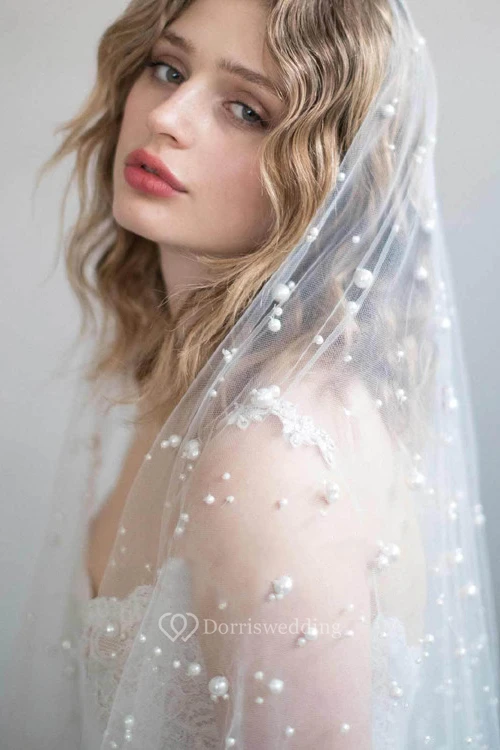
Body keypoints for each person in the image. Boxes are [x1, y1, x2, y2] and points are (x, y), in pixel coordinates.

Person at [2, 0, 500, 747]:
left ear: (329, 176)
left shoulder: (271, 459)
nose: (167, 116)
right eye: (168, 68)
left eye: (246, 110)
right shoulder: (181, 373)